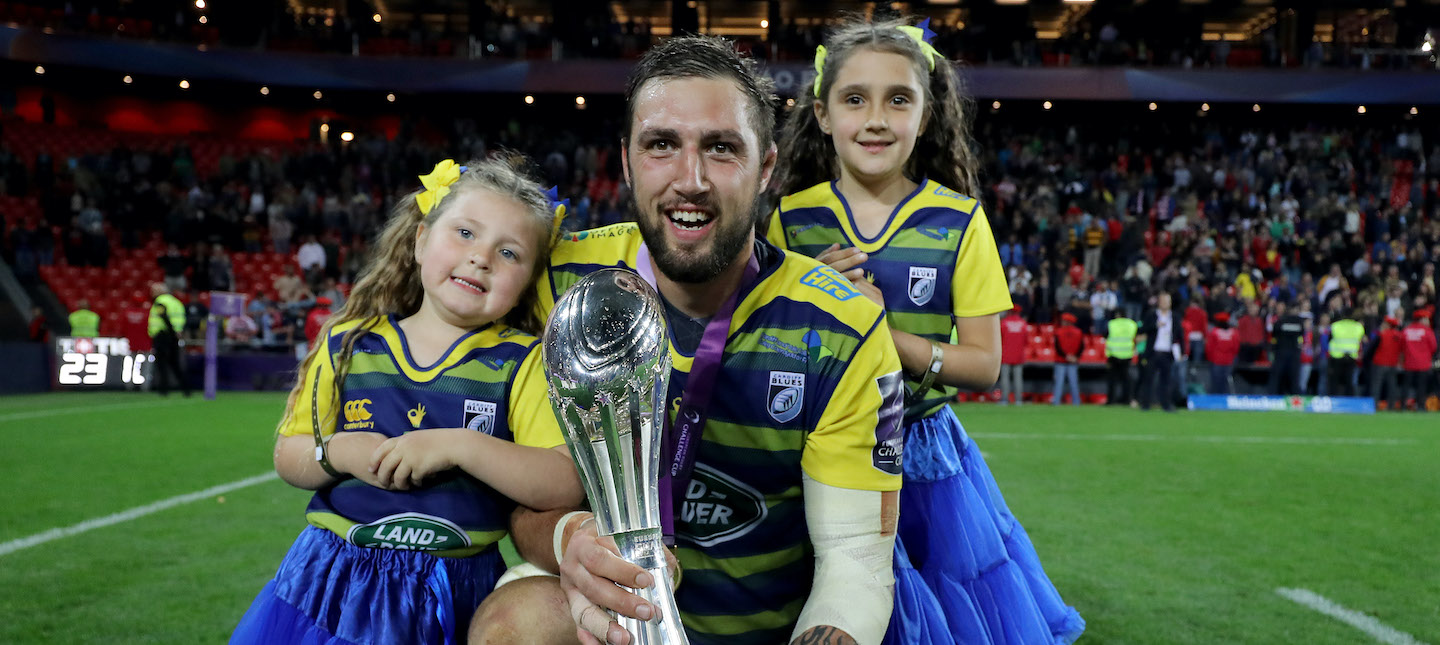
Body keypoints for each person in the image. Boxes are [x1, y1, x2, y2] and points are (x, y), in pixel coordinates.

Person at [475, 35, 909, 645]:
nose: (691, 179)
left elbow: (855, 563)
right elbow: (518, 500)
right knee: (513, 624)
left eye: (722, 147)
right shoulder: (558, 281)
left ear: (766, 168)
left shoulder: (843, 329)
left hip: (763, 634)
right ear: (627, 162)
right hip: (604, 622)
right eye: (661, 145)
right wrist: (569, 539)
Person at [766, 17, 1082, 645]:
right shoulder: (789, 222)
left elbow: (985, 365)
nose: (875, 119)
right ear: (823, 115)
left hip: (923, 456)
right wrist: (808, 300)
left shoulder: (960, 222)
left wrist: (882, 334)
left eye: (898, 99)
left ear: (926, 116)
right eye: (854, 99)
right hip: (816, 448)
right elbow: (769, 347)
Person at [231, 158, 584, 644]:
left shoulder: (524, 363)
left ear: (528, 280)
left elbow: (562, 482)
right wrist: (340, 452)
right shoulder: (348, 344)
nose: (481, 258)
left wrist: (459, 446)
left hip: (451, 592)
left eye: (509, 252)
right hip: (330, 582)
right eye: (465, 232)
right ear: (420, 240)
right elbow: (289, 456)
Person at [1138, 292, 1182, 412]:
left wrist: (1181, 351)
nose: (1165, 303)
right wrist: (1155, 325)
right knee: (1148, 379)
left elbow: (1179, 334)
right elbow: (1141, 330)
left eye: (1167, 301)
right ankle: (1145, 404)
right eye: (1163, 301)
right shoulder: (1151, 315)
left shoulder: (1175, 316)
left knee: (1166, 381)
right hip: (1153, 352)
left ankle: (1166, 404)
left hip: (1167, 353)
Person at [148, 282, 189, 396]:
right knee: (175, 363)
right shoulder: (176, 302)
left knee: (161, 363)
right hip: (175, 336)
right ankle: (186, 389)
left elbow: (164, 316)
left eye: (154, 290)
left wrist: (171, 331)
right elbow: (182, 318)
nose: (152, 293)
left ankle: (164, 389)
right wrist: (177, 332)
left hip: (163, 335)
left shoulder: (160, 301)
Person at [1401, 307, 1437, 410]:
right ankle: (1420, 406)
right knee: (1421, 387)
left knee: (1406, 386)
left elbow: (1401, 346)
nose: (1428, 322)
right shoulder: (1427, 331)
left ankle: (1403, 406)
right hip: (1423, 364)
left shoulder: (1406, 330)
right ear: (1421, 319)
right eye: (1426, 319)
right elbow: (1434, 347)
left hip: (1409, 363)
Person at [1268, 300, 1304, 395]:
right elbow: (1302, 334)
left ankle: (1272, 397)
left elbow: (1274, 334)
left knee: (1277, 377)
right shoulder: (1299, 322)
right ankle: (1295, 398)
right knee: (1293, 378)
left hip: (1281, 352)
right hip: (1293, 353)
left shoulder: (1280, 321)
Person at [1370, 316, 1404, 410]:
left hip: (1379, 363)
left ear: (1388, 325)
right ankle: (1391, 406)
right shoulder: (1399, 336)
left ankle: (1374, 406)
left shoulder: (1382, 334)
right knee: (1392, 386)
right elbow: (1402, 350)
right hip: (1392, 364)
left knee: (1376, 386)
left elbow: (1372, 348)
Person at [1328, 310, 1364, 397]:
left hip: (1336, 356)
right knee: (1349, 380)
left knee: (1335, 380)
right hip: (1351, 356)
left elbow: (1329, 339)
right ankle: (1349, 400)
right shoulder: (1358, 327)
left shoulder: (1335, 326)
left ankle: (1333, 399)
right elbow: (1361, 340)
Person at [1105, 308, 1137, 405]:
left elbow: (1106, 336)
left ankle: (1111, 400)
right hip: (1127, 354)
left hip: (1114, 354)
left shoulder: (1112, 324)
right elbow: (1136, 337)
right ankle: (1127, 399)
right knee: (1126, 379)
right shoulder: (1132, 324)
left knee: (1112, 379)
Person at [999, 304, 1028, 405]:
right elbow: (1026, 340)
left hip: (1006, 355)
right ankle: (1018, 400)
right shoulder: (1023, 324)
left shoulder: (1004, 323)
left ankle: (1004, 399)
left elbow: (1000, 338)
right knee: (1018, 379)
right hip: (1019, 356)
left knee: (1005, 379)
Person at [1052, 312, 1083, 405]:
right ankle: (1076, 402)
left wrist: (1066, 356)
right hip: (1073, 361)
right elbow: (1081, 347)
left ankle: (1056, 402)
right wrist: (1075, 357)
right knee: (1074, 383)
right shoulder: (1079, 332)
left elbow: (1057, 347)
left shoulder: (1058, 331)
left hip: (1061, 361)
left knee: (1059, 383)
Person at [1205, 312, 1239, 394]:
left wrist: (1210, 359)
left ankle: (1215, 398)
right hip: (1228, 361)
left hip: (1217, 361)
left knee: (1216, 382)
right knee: (1226, 383)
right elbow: (1236, 348)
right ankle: (1225, 398)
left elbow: (1209, 348)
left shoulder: (1214, 332)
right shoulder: (1233, 333)